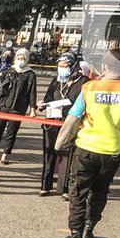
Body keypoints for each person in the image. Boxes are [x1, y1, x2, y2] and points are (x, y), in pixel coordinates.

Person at [55, 48, 120, 238]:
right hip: (112, 152)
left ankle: (75, 235)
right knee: (100, 192)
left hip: (85, 149)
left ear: (103, 66)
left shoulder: (89, 88)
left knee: (78, 192)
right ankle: (88, 228)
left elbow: (73, 118)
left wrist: (60, 143)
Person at [36, 53, 88, 197]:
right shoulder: (56, 80)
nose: (62, 69)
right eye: (60, 66)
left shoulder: (84, 82)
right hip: (52, 121)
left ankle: (63, 189)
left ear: (74, 66)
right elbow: (48, 98)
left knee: (66, 154)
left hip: (70, 122)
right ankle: (45, 186)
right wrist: (42, 104)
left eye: (65, 66)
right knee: (49, 152)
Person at [0, 47, 38, 164]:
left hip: (18, 108)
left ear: (27, 59)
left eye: (23, 58)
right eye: (18, 58)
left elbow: (32, 92)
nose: (20, 60)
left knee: (11, 132)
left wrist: (32, 109)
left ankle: (5, 154)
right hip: (4, 105)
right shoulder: (9, 71)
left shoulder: (30, 74)